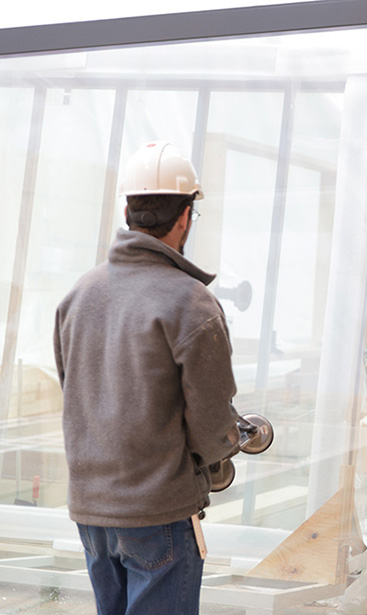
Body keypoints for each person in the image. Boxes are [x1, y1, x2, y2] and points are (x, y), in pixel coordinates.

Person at [54, 141, 241, 614]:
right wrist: (220, 460)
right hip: (156, 508)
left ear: (127, 210)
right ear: (184, 216)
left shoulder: (78, 295)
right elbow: (212, 416)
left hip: (91, 508)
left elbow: (74, 391)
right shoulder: (190, 302)